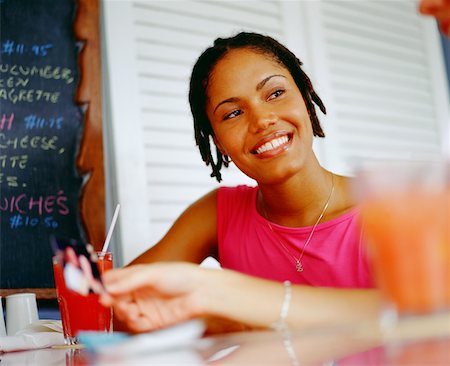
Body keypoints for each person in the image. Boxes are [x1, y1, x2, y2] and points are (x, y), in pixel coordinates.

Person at [101, 31, 382, 333]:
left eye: (275, 93)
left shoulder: (388, 208)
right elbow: (109, 310)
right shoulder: (219, 213)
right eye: (233, 113)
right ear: (219, 142)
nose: (261, 120)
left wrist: (232, 304)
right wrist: (212, 320)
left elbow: (425, 318)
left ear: (304, 97)